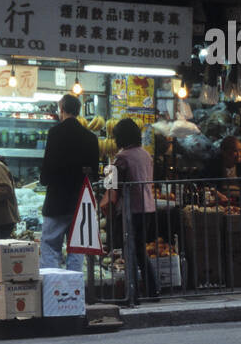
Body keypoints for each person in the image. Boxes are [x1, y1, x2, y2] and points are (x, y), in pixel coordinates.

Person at [101, 119, 160, 304]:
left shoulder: (122, 158)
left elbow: (111, 187)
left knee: (130, 251)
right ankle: (153, 290)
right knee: (140, 251)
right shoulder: (145, 154)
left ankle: (131, 294)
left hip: (130, 210)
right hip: (148, 208)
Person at [40, 93, 100, 271]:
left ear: (62, 110)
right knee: (76, 250)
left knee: (50, 246)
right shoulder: (91, 138)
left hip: (57, 201)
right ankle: (73, 292)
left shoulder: (55, 133)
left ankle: (53, 290)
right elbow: (94, 172)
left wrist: (45, 180)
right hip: (80, 201)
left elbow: (48, 164)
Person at [201, 136, 241, 206]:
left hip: (240, 204)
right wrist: (218, 194)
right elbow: (205, 182)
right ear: (224, 152)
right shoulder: (214, 164)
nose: (239, 155)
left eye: (240, 151)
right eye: (235, 151)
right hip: (218, 204)